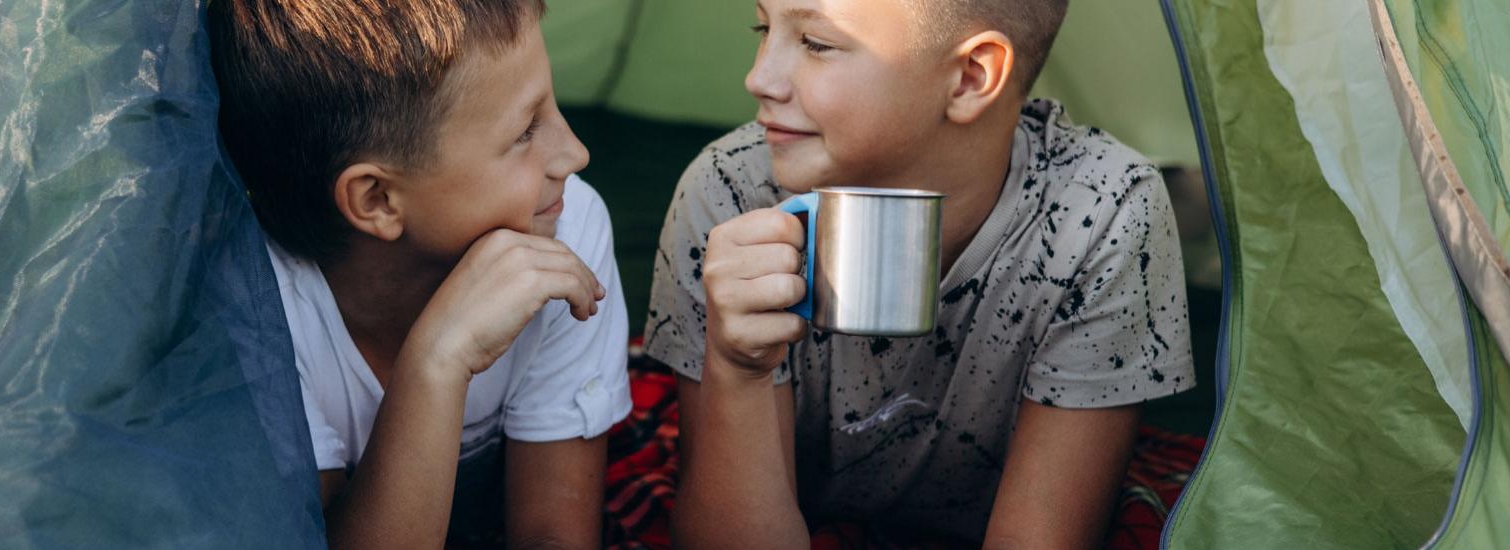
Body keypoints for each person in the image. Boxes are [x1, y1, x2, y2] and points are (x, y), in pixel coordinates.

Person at [641, 0, 1196, 546]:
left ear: (970, 78)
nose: (758, 77)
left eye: (817, 43)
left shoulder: (1100, 211)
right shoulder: (732, 194)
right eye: (762, 27)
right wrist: (737, 371)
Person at [208, 1, 631, 547]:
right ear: (378, 199)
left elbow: (553, 535)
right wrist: (438, 362)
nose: (575, 153)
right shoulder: (257, 312)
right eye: (527, 130)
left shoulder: (564, 228)